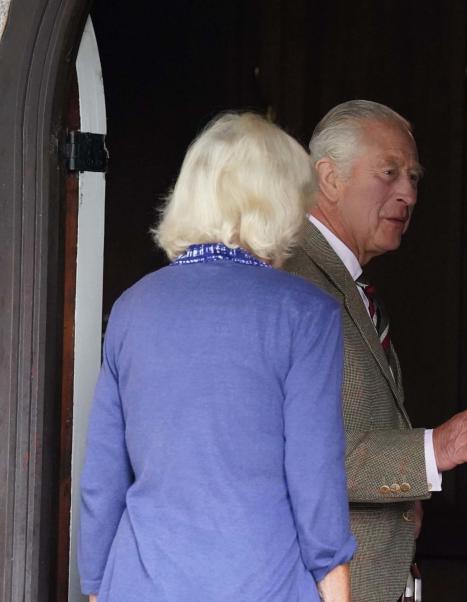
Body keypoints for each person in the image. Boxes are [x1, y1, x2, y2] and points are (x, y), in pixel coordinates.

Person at [79, 112, 355, 602]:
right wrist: (337, 588)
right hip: (260, 584)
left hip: (139, 584)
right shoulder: (305, 313)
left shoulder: (131, 308)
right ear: (279, 206)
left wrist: (99, 588)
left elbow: (103, 479)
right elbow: (316, 479)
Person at [284, 100, 467, 602]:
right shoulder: (295, 282)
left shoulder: (346, 281)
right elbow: (299, 453)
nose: (408, 193)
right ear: (329, 178)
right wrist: (435, 449)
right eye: (388, 173)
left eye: (413, 176)